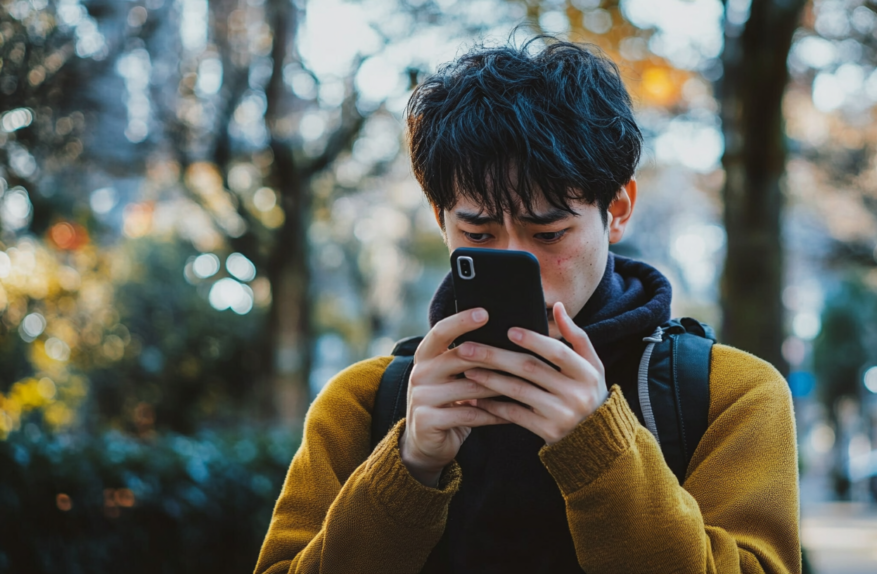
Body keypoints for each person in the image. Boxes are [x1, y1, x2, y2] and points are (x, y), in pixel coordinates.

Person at [254, 37, 800, 574]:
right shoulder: (364, 402)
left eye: (549, 232)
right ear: (440, 218)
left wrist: (601, 451)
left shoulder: (728, 395)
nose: (520, 264)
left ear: (617, 208)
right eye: (479, 233)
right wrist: (409, 466)